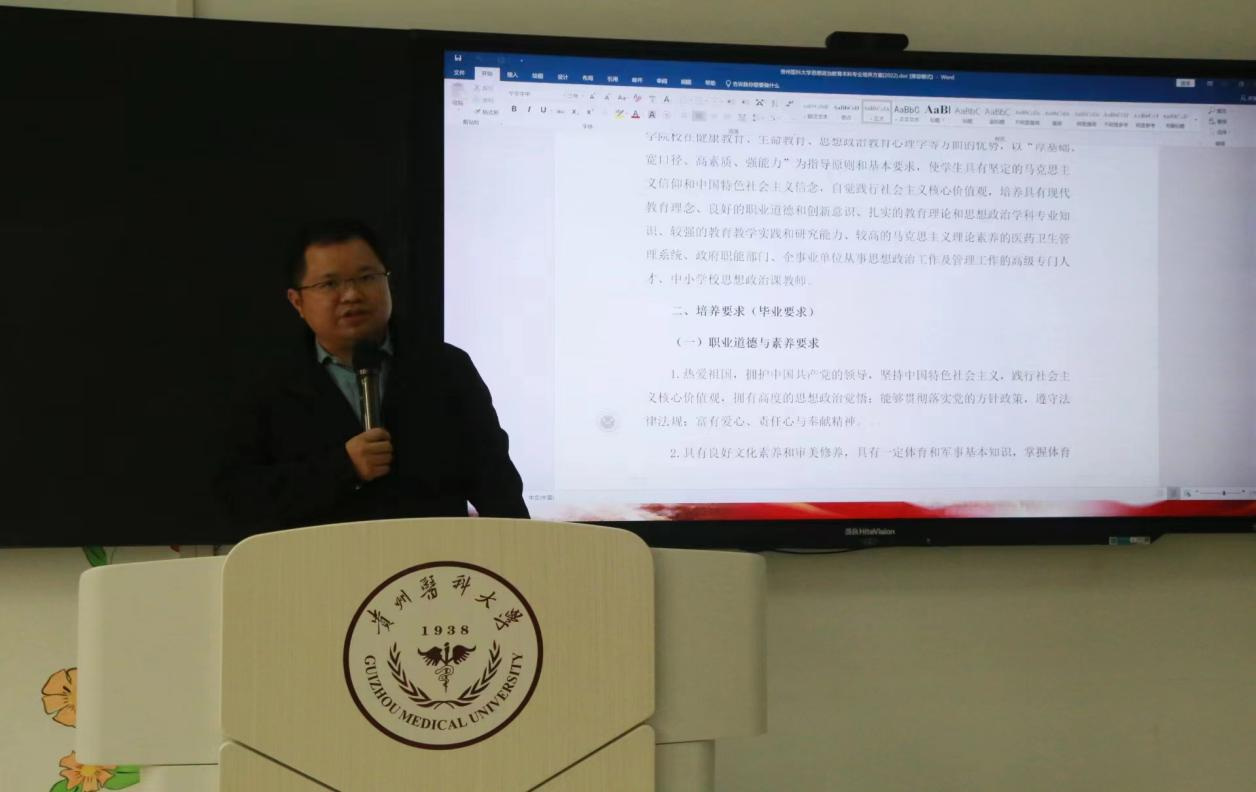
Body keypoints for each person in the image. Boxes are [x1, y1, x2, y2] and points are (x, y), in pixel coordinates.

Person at [214, 219, 528, 533]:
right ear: (298, 301)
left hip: (431, 557)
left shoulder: (446, 368)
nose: (351, 295)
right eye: (330, 284)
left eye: (366, 278)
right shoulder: (267, 383)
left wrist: (521, 550)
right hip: (317, 559)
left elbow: (497, 484)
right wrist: (343, 467)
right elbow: (237, 496)